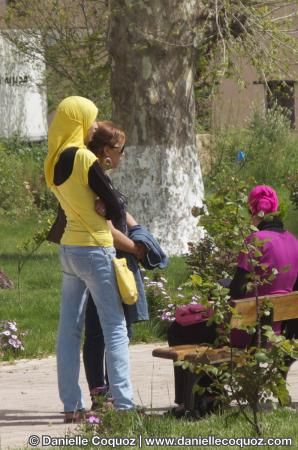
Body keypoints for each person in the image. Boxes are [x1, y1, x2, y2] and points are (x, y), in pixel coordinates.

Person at [44, 96, 138, 422]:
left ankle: (72, 406)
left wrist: (100, 202)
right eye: (91, 118)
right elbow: (116, 208)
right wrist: (106, 205)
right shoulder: (84, 158)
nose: (94, 125)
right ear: (78, 120)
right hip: (95, 249)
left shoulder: (53, 160)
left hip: (69, 250)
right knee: (114, 327)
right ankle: (125, 405)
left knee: (68, 329)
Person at [167, 184, 298, 417]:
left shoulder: (255, 240)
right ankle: (209, 397)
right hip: (273, 332)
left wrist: (223, 287)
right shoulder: (294, 242)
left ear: (254, 211)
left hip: (244, 332)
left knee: (178, 331)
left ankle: (198, 401)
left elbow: (237, 291)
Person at [82, 121, 149, 406]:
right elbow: (105, 228)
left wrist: (140, 232)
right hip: (107, 260)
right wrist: (135, 248)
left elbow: (121, 210)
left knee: (114, 327)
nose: (122, 155)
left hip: (119, 259)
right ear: (106, 151)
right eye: (120, 150)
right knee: (101, 329)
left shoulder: (103, 177)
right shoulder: (92, 179)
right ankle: (102, 393)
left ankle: (107, 390)